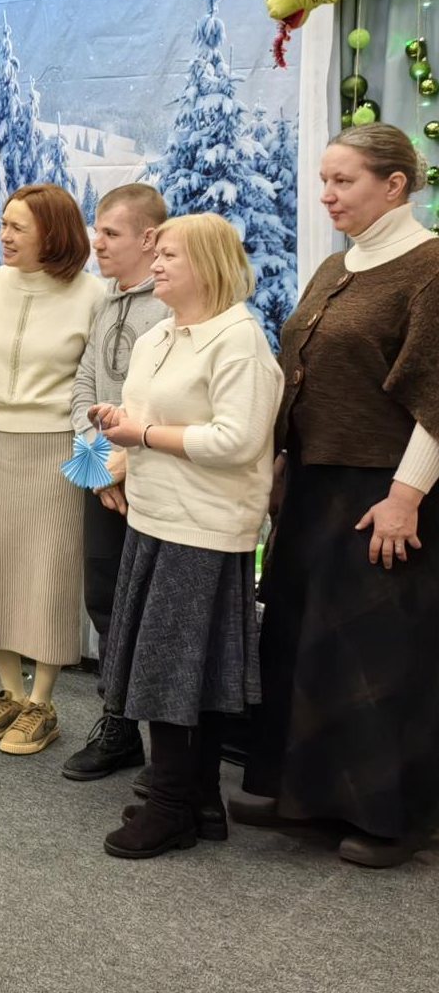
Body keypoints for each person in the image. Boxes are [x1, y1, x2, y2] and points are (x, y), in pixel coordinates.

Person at [236, 125, 439, 868]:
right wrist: (281, 469)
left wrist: (406, 496)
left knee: (376, 659)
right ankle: (307, 795)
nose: (327, 194)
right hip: (316, 482)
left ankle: (391, 817)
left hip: (385, 490)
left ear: (395, 185)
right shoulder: (335, 265)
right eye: (324, 179)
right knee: (301, 640)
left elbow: (437, 401)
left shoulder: (431, 266)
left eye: (344, 180)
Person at [87, 214, 282, 858]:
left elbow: (237, 441)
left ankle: (169, 805)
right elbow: (143, 418)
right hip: (153, 517)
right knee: (175, 667)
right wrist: (98, 458)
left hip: (202, 528)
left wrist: (139, 435)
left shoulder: (239, 340)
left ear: (209, 264)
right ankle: (199, 801)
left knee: (172, 671)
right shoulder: (162, 335)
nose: (157, 261)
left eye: (169, 253)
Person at [0, 184, 104, 755]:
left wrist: (100, 472)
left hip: (62, 449)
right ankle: (8, 693)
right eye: (3, 224)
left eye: (17, 227)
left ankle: (43, 701)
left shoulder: (92, 294)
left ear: (54, 233)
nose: (4, 235)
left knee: (50, 573)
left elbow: (97, 388)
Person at [61, 183, 171, 782]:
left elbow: (171, 405)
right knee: (104, 601)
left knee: (154, 609)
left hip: (152, 480)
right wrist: (99, 465)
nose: (95, 243)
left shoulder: (178, 304)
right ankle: (119, 724)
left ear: (150, 239)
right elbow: (84, 388)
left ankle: (173, 744)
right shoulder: (104, 303)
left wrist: (123, 466)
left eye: (111, 233)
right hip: (103, 472)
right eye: (95, 230)